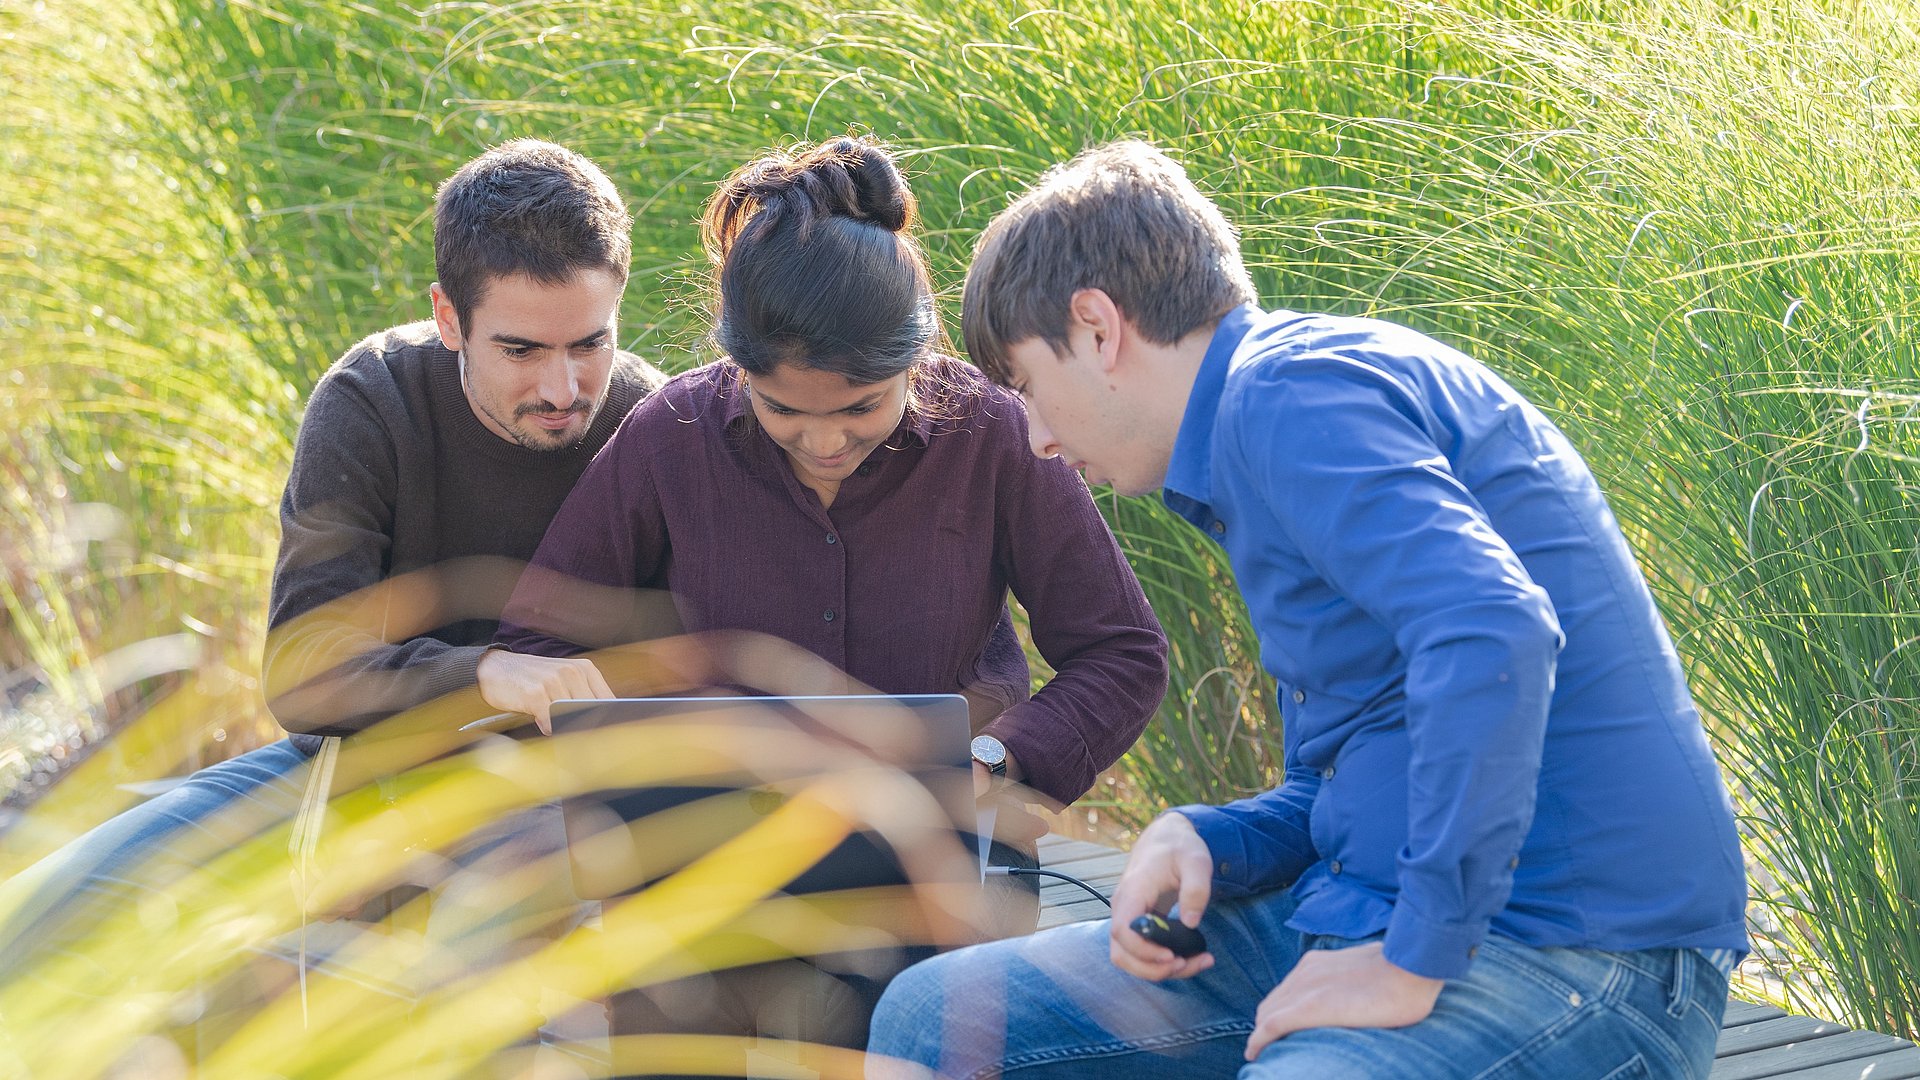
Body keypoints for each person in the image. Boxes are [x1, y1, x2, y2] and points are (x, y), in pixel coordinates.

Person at [866, 140, 1749, 1079]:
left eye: (1028, 388)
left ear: (1095, 327)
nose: (1038, 438)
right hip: (1371, 909)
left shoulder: (1288, 395)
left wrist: (1413, 959)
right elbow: (1373, 756)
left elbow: (1494, 631)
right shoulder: (1267, 424)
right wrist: (1215, 838)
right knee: (934, 1017)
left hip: (1578, 950)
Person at [491, 137, 1170, 1065]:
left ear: (916, 358)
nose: (823, 442)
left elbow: (1123, 653)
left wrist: (999, 761)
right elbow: (536, 642)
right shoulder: (670, 436)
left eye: (860, 408)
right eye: (782, 410)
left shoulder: (991, 434)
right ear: (738, 367)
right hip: (706, 876)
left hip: (944, 870)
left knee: (910, 1035)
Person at [0, 138, 667, 1035]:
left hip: (548, 805)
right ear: (448, 317)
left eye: (590, 343)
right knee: (45, 918)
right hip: (344, 769)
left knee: (478, 960)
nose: (561, 386)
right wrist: (484, 673)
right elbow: (303, 672)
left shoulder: (654, 425)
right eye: (521, 350)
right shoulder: (373, 398)